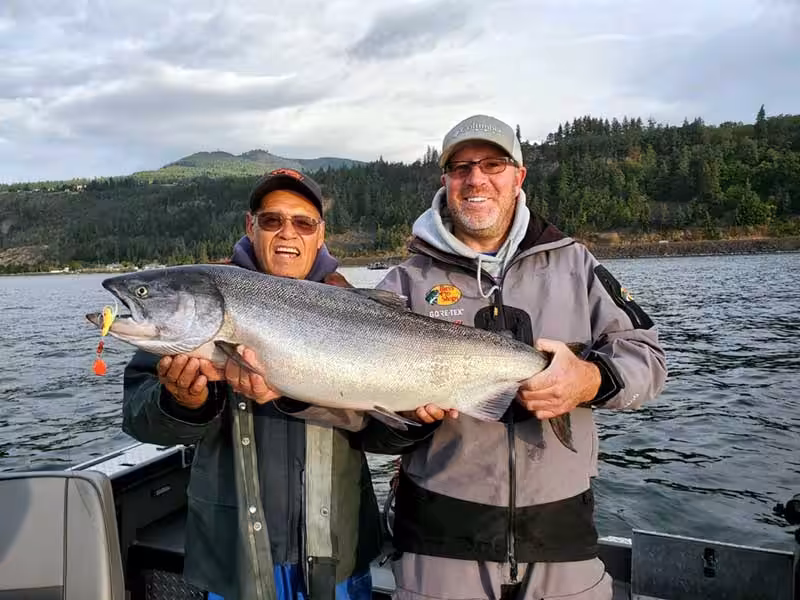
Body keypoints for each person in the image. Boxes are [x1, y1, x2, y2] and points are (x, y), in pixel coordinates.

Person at [355, 115, 667, 599]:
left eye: (493, 164)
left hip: (564, 539)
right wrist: (408, 419)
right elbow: (369, 423)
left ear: (518, 176)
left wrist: (588, 379)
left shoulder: (576, 262)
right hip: (439, 544)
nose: (476, 179)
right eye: (460, 168)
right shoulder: (404, 282)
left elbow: (648, 357)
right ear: (446, 181)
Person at [122, 168, 382, 600]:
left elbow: (387, 434)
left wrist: (417, 420)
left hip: (338, 552)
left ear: (320, 235)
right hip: (235, 560)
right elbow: (139, 419)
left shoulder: (352, 304)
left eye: (303, 223)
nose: (287, 233)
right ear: (250, 226)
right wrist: (184, 402)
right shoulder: (195, 310)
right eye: (271, 220)